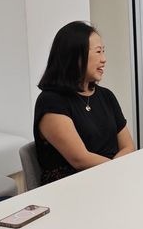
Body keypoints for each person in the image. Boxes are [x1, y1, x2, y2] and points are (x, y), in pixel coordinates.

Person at [34, 21, 134, 184]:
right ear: (75, 56)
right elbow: (80, 159)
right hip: (71, 185)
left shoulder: (106, 96)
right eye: (98, 52)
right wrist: (118, 173)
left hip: (109, 177)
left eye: (103, 51)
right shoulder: (51, 102)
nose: (104, 59)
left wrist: (117, 174)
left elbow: (128, 146)